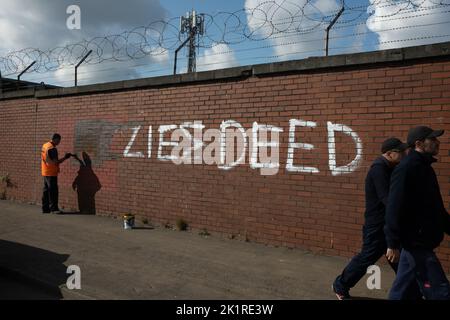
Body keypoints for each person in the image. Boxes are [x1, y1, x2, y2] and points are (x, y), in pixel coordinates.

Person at [332, 138, 409, 300]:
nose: (404, 154)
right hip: (377, 225)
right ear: (389, 154)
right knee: (368, 257)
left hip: (388, 223)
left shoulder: (390, 167)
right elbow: (386, 198)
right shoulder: (379, 169)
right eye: (401, 152)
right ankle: (340, 285)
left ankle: (409, 291)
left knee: (401, 259)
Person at [385, 126, 450, 300]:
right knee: (441, 291)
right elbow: (394, 207)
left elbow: (435, 206)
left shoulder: (425, 167)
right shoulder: (406, 169)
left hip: (420, 240)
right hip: (416, 240)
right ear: (419, 143)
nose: (437, 142)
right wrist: (392, 242)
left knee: (405, 290)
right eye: (433, 139)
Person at [41, 133, 72, 214]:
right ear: (55, 139)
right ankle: (54, 209)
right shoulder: (52, 149)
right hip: (51, 173)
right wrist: (65, 157)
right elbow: (56, 162)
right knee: (53, 191)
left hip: (45, 171)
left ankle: (45, 208)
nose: (59, 142)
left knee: (46, 191)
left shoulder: (45, 145)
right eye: (59, 140)